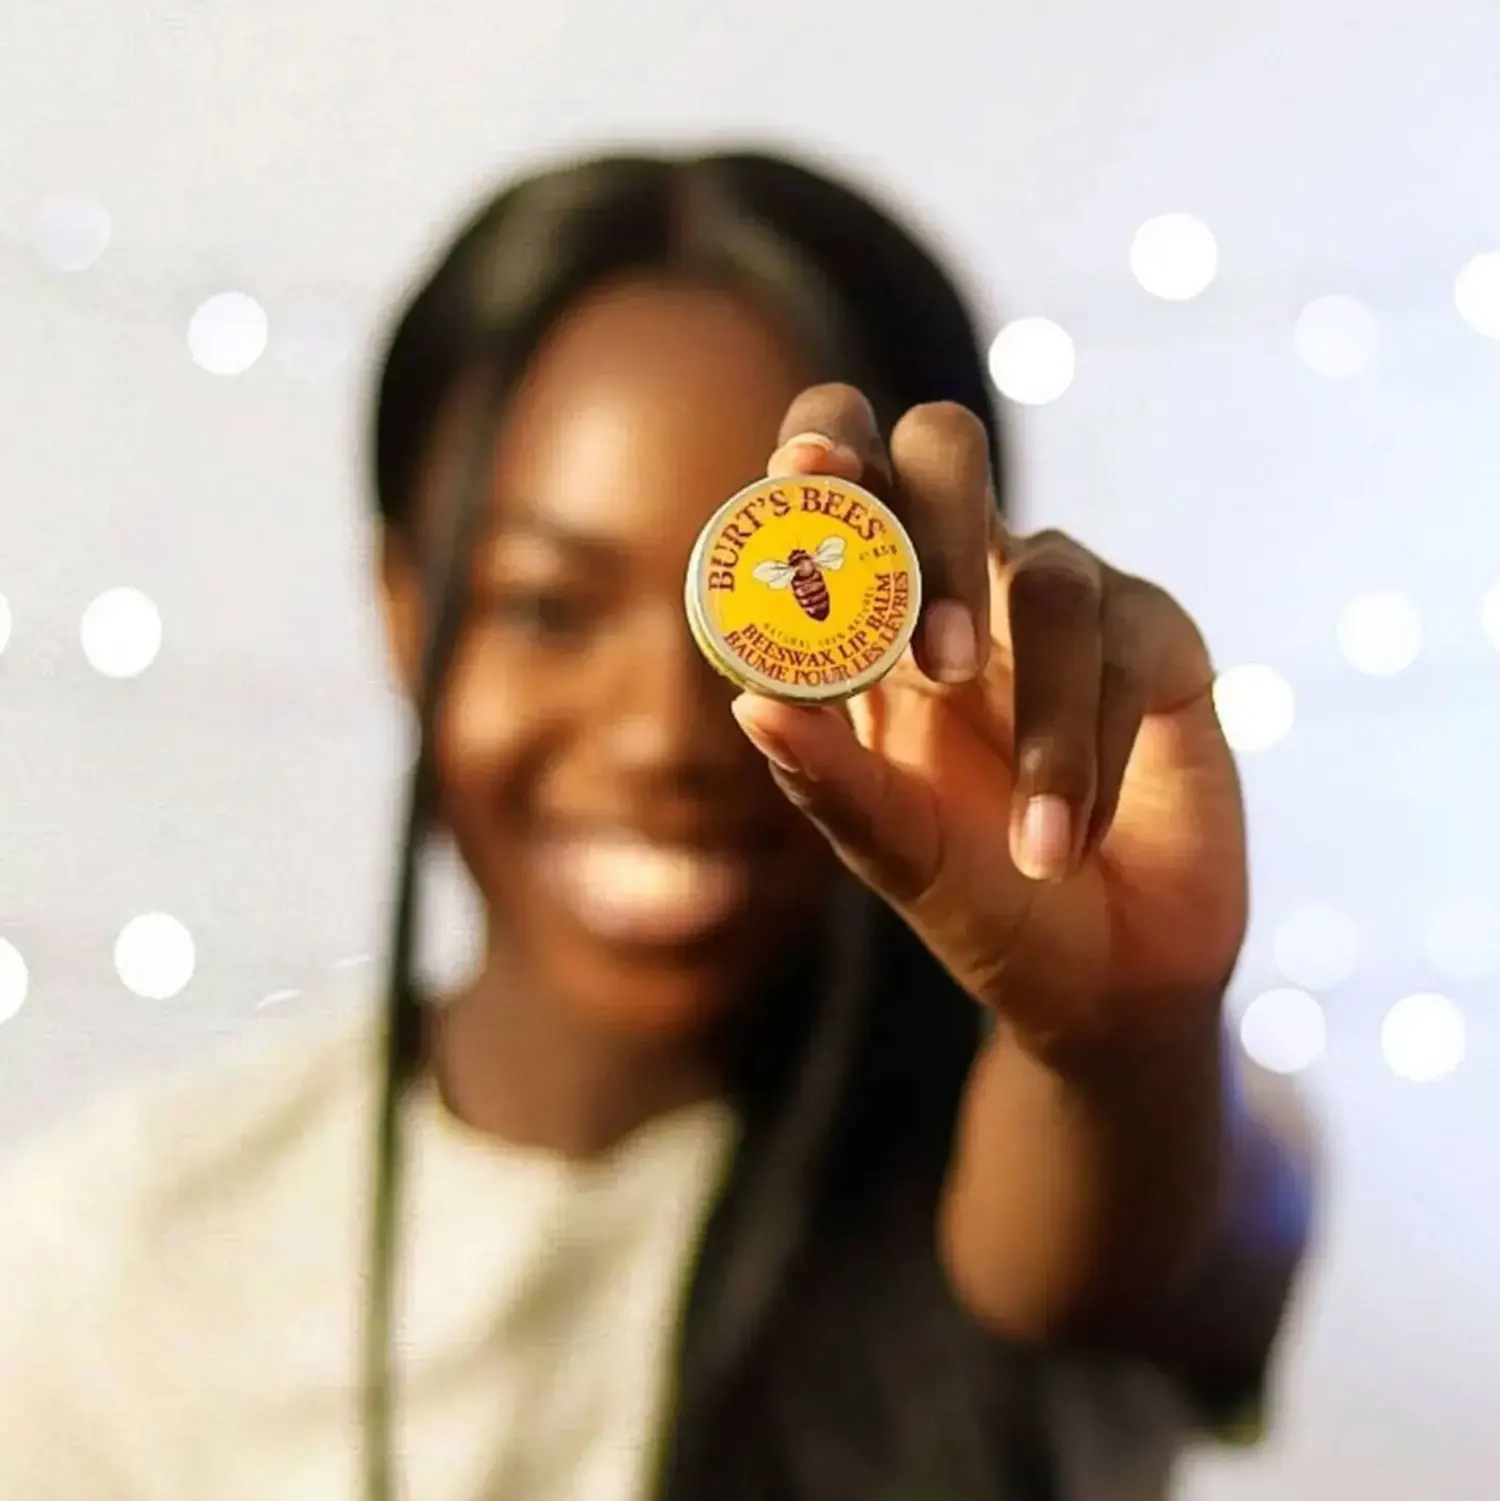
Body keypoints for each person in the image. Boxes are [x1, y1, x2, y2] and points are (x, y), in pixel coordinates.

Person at [0, 149, 1313, 1501]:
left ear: (923, 616)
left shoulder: (1101, 1124)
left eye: (782, 624)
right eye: (548, 607)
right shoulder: (120, 1258)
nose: (666, 737)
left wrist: (1116, 1039)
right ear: (405, 607)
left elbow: (1148, 1253)